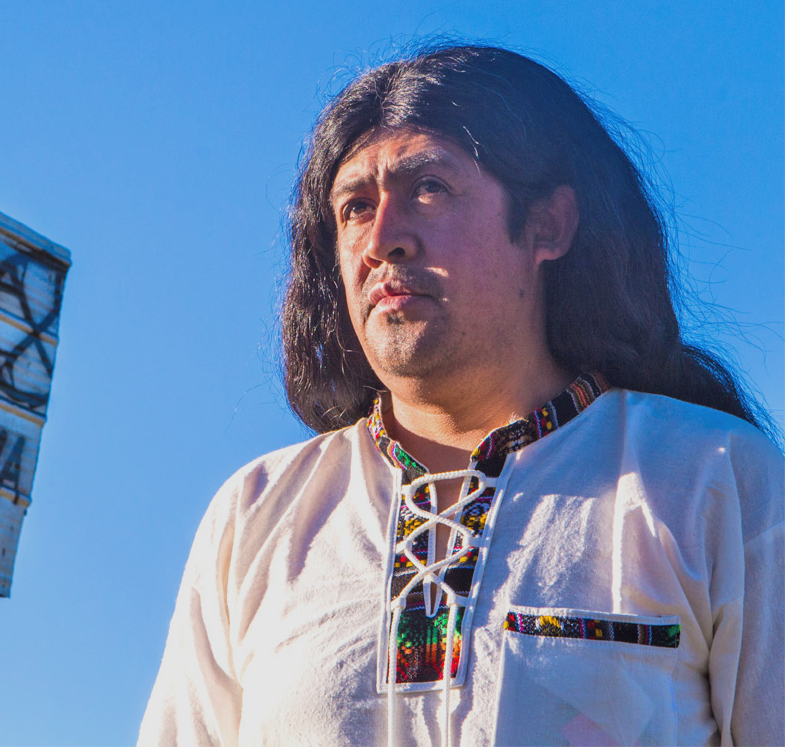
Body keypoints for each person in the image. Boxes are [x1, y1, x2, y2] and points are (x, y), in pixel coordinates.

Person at [137, 43, 783, 747]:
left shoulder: (716, 481)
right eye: (355, 207)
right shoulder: (257, 517)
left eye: (429, 189)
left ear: (549, 225)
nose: (383, 239)